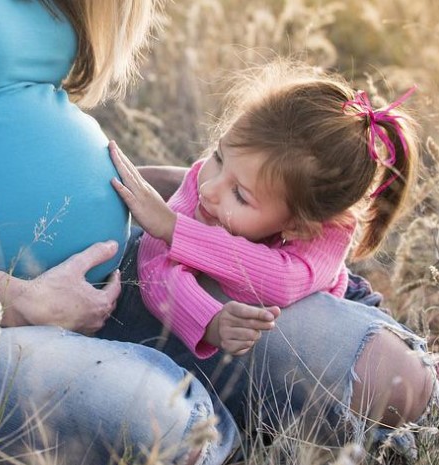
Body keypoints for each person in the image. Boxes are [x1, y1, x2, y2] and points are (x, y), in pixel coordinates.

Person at [0, 0, 436, 463]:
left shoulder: (308, 227)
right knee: (171, 430)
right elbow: (163, 258)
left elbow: (274, 276)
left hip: (127, 275)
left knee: (392, 379)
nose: (213, 186)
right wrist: (19, 299)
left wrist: (177, 206)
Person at [0, 1, 238, 464]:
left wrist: (168, 195)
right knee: (168, 431)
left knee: (376, 370)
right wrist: (18, 299)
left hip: (106, 288)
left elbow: (11, 112)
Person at [108, 60, 420, 362]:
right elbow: (153, 265)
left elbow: (282, 281)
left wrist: (175, 230)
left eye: (240, 195)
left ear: (299, 226)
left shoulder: (328, 231)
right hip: (258, 324)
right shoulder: (205, 187)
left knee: (410, 374)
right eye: (218, 157)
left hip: (340, 302)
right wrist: (208, 319)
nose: (210, 189)